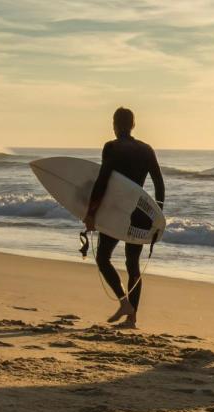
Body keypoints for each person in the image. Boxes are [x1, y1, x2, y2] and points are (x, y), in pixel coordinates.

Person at [85, 107, 165, 329]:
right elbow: (159, 183)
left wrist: (91, 213)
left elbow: (102, 181)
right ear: (133, 124)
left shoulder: (111, 148)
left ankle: (124, 303)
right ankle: (132, 318)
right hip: (140, 212)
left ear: (114, 124)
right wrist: (158, 214)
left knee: (103, 258)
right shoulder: (147, 149)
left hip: (117, 211)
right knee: (133, 265)